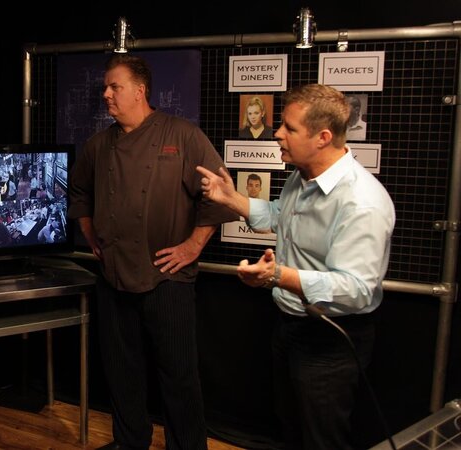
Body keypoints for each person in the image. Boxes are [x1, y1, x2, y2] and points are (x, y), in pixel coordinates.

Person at [196, 84, 395, 450]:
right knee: (289, 427)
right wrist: (230, 198)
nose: (277, 134)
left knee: (321, 439)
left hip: (330, 341)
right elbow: (278, 215)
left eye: (289, 128)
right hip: (289, 326)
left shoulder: (361, 202)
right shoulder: (301, 177)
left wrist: (277, 276)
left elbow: (356, 289)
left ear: (323, 137)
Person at [69, 54, 238, 450]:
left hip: (167, 278)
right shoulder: (98, 146)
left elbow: (218, 196)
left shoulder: (183, 136)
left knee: (178, 375)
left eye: (115, 87)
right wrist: (91, 233)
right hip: (114, 276)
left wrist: (192, 246)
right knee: (121, 370)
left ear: (140, 91)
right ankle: (130, 442)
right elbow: (78, 192)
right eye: (105, 87)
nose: (106, 94)